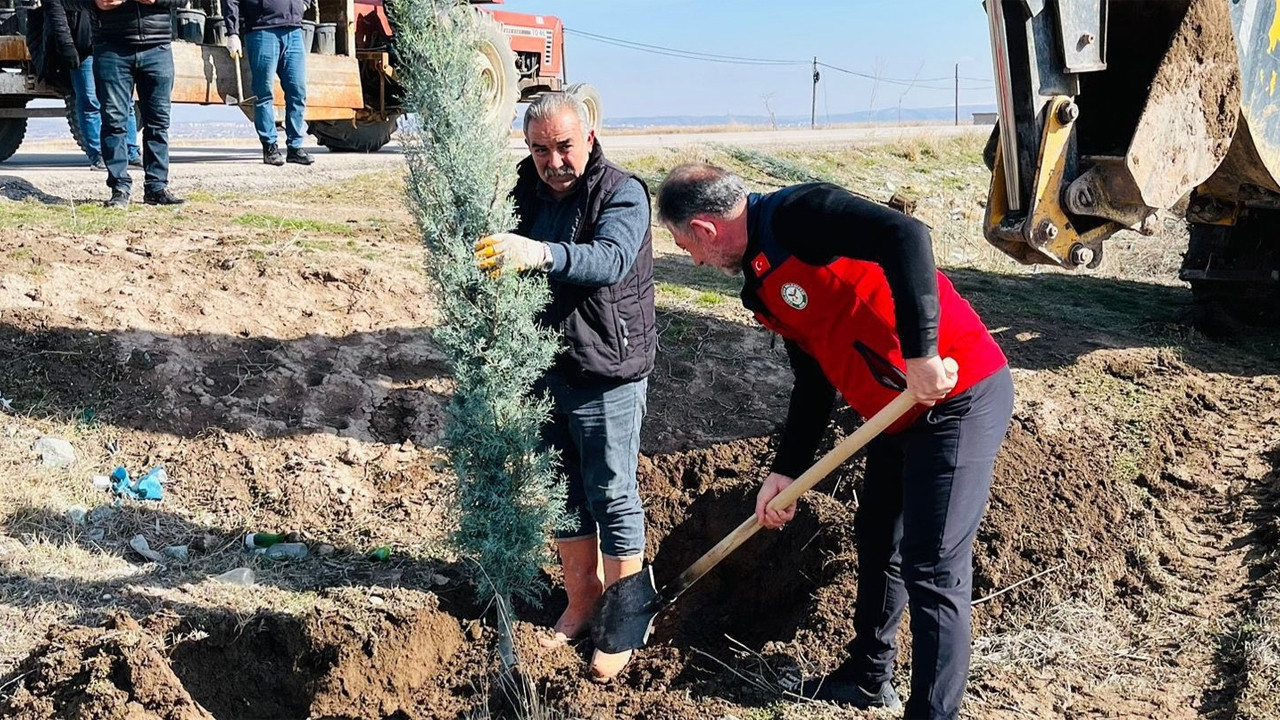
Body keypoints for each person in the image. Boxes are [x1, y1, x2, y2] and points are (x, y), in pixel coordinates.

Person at [655, 164, 1014, 720]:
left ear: (703, 229)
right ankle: (868, 677)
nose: (694, 260)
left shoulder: (799, 215)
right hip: (894, 414)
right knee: (878, 539)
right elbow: (814, 377)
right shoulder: (761, 285)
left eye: (686, 246)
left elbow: (907, 236)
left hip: (956, 391)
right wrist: (787, 470)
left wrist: (920, 354)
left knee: (933, 565)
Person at [472, 92, 655, 682]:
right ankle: (581, 602)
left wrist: (539, 253)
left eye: (564, 146)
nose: (553, 160)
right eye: (539, 148)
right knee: (562, 492)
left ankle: (624, 624)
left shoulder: (622, 193)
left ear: (591, 135)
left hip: (607, 369)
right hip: (542, 367)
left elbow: (609, 259)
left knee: (612, 491)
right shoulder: (521, 189)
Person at [88, 0, 185, 208]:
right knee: (114, 121)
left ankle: (156, 187)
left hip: (157, 47)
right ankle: (119, 188)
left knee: (158, 121)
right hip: (111, 47)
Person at [42, 0, 142, 170]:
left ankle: (131, 152)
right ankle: (98, 155)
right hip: (83, 47)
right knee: (89, 102)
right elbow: (56, 12)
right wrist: (67, 45)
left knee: (125, 101)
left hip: (114, 43)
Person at [222, 0, 314, 166]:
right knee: (263, 93)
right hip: (262, 30)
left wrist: (303, 3)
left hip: (294, 30)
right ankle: (270, 146)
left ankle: (295, 147)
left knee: (298, 91)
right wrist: (232, 32)